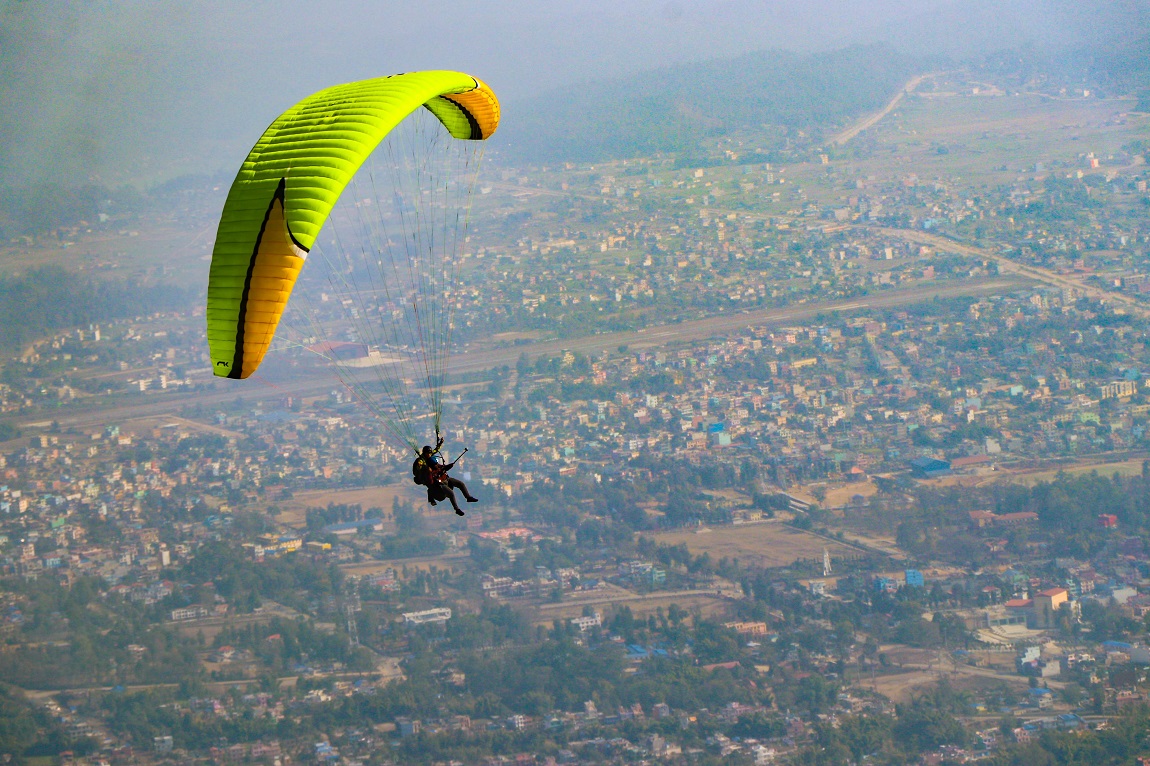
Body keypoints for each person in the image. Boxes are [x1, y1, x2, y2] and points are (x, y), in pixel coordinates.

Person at [412, 437, 478, 516]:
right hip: (438, 483)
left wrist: (440, 443)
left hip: (444, 478)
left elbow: (436, 451)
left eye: (430, 453)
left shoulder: (430, 457)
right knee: (451, 493)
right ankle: (456, 509)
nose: (429, 454)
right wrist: (425, 469)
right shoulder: (421, 461)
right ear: (425, 453)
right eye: (428, 453)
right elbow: (419, 470)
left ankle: (468, 497)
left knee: (460, 484)